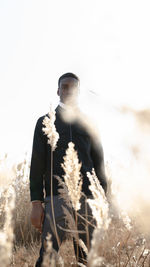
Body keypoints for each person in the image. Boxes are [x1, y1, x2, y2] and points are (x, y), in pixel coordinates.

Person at [29, 72, 107, 266]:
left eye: (73, 87)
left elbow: (99, 165)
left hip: (87, 200)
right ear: (58, 91)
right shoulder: (44, 122)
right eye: (65, 86)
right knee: (47, 257)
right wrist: (36, 202)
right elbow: (37, 165)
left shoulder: (90, 124)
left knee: (86, 258)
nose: (69, 90)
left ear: (78, 92)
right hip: (56, 199)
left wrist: (103, 199)